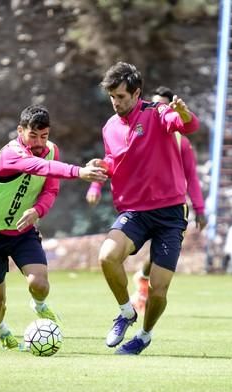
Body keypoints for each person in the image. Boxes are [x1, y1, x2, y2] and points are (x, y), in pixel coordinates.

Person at [87, 62, 200, 355]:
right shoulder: (109, 127)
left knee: (159, 289)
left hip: (171, 213)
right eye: (112, 97)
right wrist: (101, 169)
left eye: (122, 97)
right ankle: (125, 312)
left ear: (137, 93)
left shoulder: (157, 112)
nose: (116, 103)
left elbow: (187, 125)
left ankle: (144, 336)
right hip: (135, 210)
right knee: (107, 257)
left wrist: (184, 112)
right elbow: (115, 161)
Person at [0, 105, 107, 349]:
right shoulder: (10, 154)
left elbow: (50, 189)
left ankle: (39, 305)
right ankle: (2, 332)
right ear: (20, 131)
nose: (39, 142)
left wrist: (37, 211)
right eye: (33, 136)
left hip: (22, 232)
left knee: (40, 285)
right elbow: (39, 167)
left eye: (43, 136)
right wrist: (79, 171)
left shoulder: (51, 150)